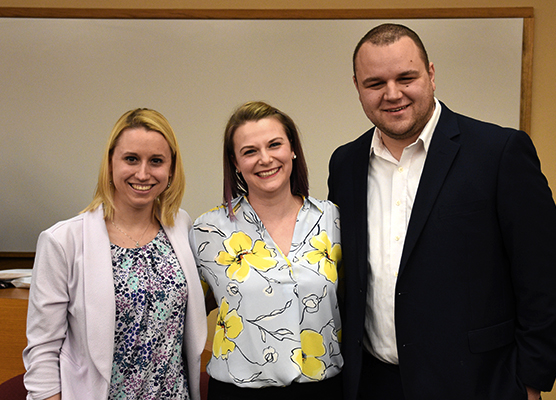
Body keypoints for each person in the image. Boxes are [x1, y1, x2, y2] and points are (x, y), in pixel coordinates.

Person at [327, 24, 556, 400]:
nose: (392, 94)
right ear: (357, 86)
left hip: (478, 383)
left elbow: (545, 275)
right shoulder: (345, 163)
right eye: (375, 83)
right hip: (372, 384)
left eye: (406, 77)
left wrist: (531, 379)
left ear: (431, 74)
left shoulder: (499, 152)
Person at [23, 108, 207, 400]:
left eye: (156, 161)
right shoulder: (63, 241)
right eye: (131, 159)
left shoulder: (180, 225)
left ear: (171, 169)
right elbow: (43, 350)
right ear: (110, 163)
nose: (143, 173)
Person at [189, 101, 343, 400]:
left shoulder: (333, 220)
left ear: (293, 149)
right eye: (250, 151)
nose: (265, 159)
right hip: (239, 391)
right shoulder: (206, 231)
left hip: (324, 388)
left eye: (275, 145)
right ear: (234, 162)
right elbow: (184, 310)